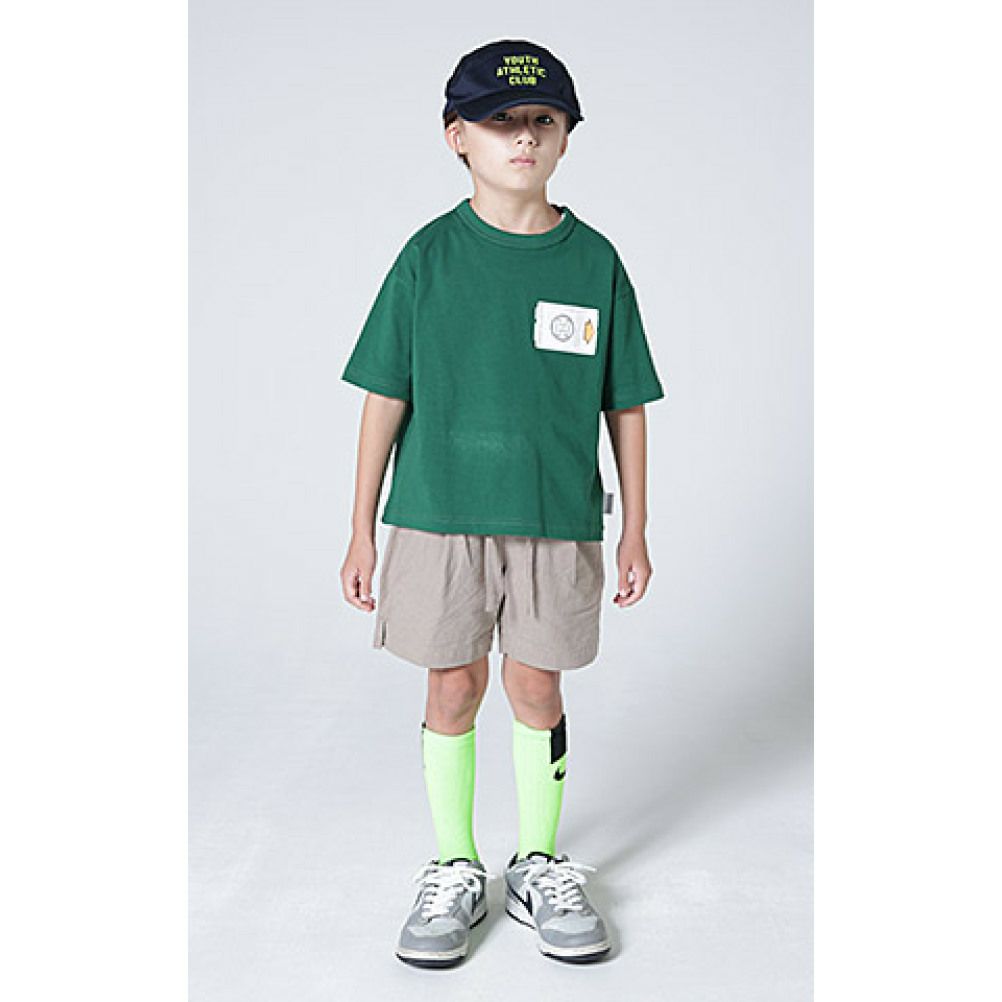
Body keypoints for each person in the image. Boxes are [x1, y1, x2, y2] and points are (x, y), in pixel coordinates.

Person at [339, 38, 665, 968]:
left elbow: (625, 403)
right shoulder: (428, 257)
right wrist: (360, 528)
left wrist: (636, 526)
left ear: (564, 137)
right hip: (437, 513)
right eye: (499, 121)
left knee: (536, 685)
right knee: (452, 684)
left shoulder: (594, 261)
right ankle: (454, 864)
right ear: (457, 137)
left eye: (541, 120)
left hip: (555, 516)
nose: (522, 137)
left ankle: (539, 863)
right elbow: (384, 395)